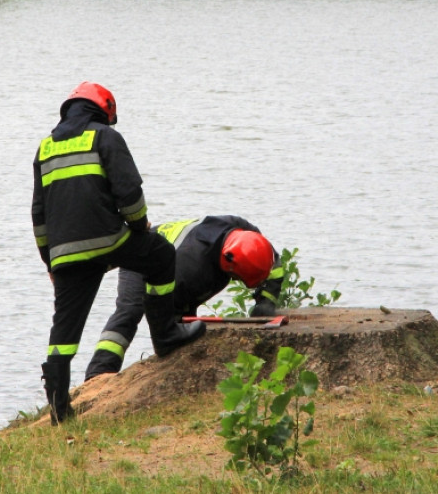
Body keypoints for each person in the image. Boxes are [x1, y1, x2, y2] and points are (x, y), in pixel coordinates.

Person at [32, 82, 205, 424]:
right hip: (111, 240)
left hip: (64, 253)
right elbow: (129, 193)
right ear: (104, 109)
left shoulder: (44, 148)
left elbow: (39, 215)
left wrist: (49, 260)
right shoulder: (105, 137)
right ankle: (166, 335)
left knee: (63, 333)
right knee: (160, 255)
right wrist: (140, 227)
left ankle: (58, 410)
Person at [84, 215, 282, 380]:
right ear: (230, 265)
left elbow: (274, 262)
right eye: (237, 277)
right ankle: (99, 373)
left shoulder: (245, 233)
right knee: (130, 310)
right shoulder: (191, 268)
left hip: (175, 258)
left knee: (186, 315)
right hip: (142, 254)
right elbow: (158, 306)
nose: (236, 280)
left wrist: (266, 300)